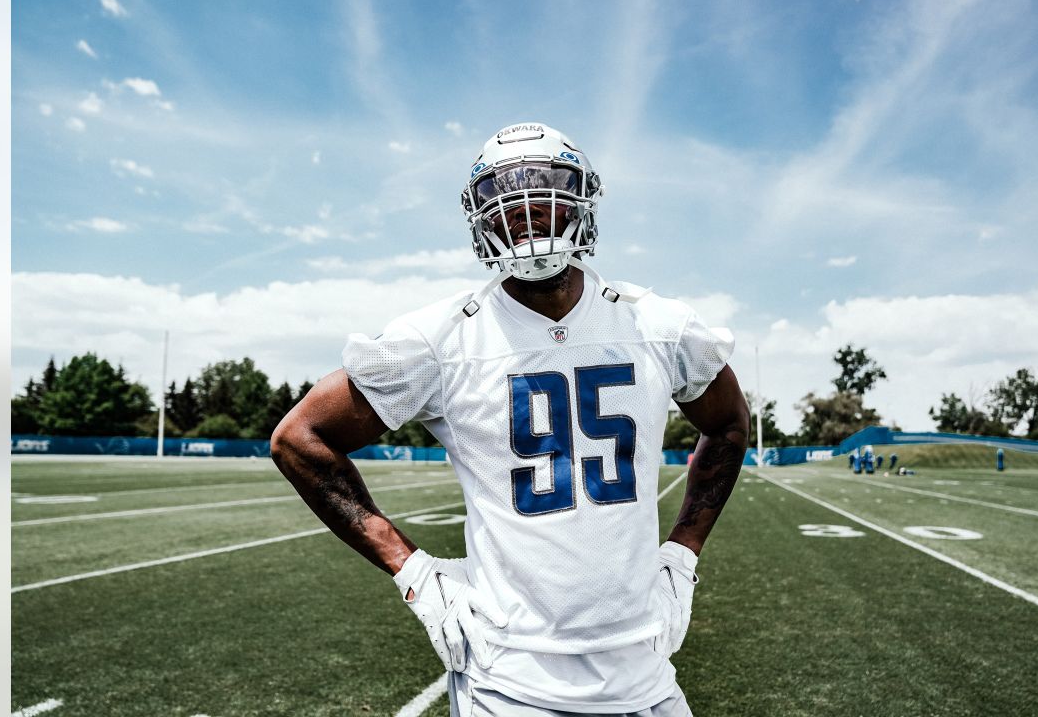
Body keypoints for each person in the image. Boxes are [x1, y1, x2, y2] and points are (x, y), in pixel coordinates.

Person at [271, 122, 749, 716]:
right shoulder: (440, 341)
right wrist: (413, 571)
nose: (526, 216)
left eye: (542, 196)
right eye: (508, 205)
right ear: (483, 221)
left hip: (645, 670)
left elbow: (729, 424)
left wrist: (683, 552)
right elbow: (299, 438)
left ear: (580, 202)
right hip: (509, 681)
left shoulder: (658, 325)